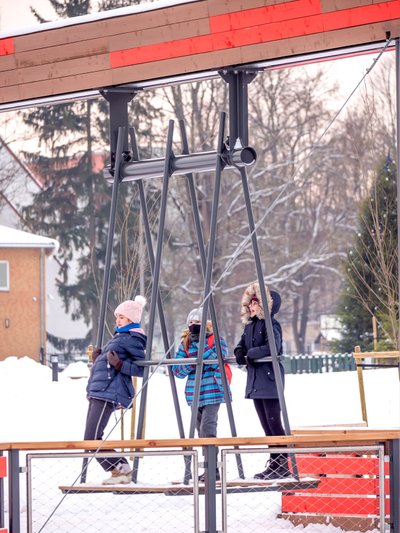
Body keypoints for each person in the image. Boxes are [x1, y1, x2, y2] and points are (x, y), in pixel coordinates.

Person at [84, 295, 146, 485]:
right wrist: (99, 359)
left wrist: (119, 364)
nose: (117, 320)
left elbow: (141, 368)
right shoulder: (119, 337)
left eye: (121, 317)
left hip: (108, 393)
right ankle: (120, 470)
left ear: (131, 319)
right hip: (99, 391)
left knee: (91, 438)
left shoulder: (132, 339)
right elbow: (106, 367)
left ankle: (121, 469)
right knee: (90, 439)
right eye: (117, 316)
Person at [234, 282, 290, 480]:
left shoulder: (270, 324)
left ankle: (282, 463)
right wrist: (240, 351)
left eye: (255, 303)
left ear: (266, 305)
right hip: (257, 380)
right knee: (266, 425)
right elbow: (241, 344)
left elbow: (272, 347)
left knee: (274, 424)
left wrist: (251, 353)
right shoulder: (251, 326)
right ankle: (274, 462)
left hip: (270, 378)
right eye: (250, 303)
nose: (251, 306)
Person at [171, 308, 231, 482]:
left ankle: (213, 469)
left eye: (198, 323)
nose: (194, 326)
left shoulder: (216, 340)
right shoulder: (186, 342)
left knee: (208, 428)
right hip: (194, 393)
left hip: (212, 390)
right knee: (201, 432)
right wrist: (194, 362)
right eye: (192, 323)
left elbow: (217, 360)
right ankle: (208, 467)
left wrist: (200, 348)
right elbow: (178, 370)